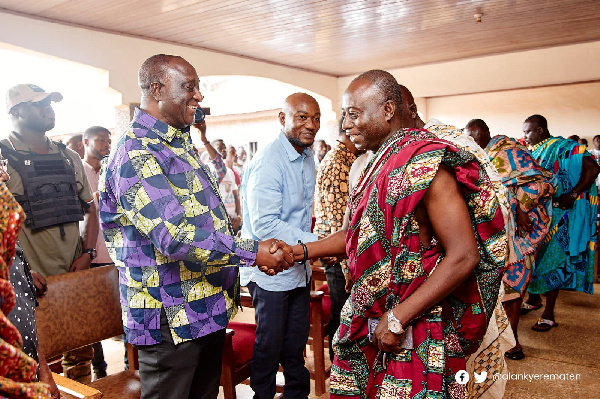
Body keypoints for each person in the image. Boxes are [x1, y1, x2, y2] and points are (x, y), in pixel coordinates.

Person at [290, 70, 506, 398]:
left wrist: (397, 318)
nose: (345, 125)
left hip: (413, 321)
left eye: (354, 114)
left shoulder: (427, 164)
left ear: (388, 111)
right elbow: (354, 234)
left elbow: (464, 255)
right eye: (344, 115)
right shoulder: (375, 165)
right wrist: (298, 252)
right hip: (372, 314)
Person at [98, 54, 294, 399]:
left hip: (205, 306)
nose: (199, 95)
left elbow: (203, 220)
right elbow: (174, 237)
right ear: (157, 90)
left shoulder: (177, 143)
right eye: (189, 87)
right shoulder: (136, 151)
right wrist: (252, 251)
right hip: (170, 314)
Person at [2, 83, 99, 383]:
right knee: (31, 368)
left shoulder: (69, 157)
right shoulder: (3, 156)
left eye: (51, 103)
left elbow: (90, 210)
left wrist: (87, 253)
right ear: (17, 111)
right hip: (26, 288)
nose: (49, 108)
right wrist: (20, 273)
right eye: (39, 104)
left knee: (81, 361)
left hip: (70, 278)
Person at [240, 92, 321, 399]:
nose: (311, 125)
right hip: (270, 270)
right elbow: (265, 226)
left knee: (295, 348)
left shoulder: (307, 155)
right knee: (269, 347)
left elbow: (299, 218)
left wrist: (310, 249)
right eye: (302, 117)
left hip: (298, 267)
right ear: (282, 118)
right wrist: (320, 244)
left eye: (315, 119)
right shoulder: (268, 162)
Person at [466, 118, 555, 360]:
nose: (471, 143)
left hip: (517, 236)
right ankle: (497, 341)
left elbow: (538, 182)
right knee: (495, 291)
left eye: (474, 138)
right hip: (492, 234)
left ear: (485, 134)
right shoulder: (479, 157)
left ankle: (513, 343)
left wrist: (522, 208)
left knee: (513, 290)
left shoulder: (507, 152)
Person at [522, 114, 599, 331]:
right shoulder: (534, 151)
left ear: (540, 129)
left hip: (561, 214)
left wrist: (572, 194)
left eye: (528, 131)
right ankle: (534, 300)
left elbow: (593, 169)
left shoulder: (565, 147)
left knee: (552, 260)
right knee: (536, 259)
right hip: (539, 215)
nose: (525, 136)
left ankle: (549, 314)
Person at [313, 118, 358, 361]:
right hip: (339, 257)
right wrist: (348, 268)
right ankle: (340, 369)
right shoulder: (338, 163)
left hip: (345, 254)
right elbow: (339, 224)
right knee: (342, 315)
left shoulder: (348, 160)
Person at [82, 125, 113, 379]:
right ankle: (99, 369)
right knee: (92, 320)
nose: (106, 144)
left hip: (115, 256)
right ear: (85, 141)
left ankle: (132, 365)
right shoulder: (78, 172)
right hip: (91, 256)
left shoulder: (113, 170)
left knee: (122, 314)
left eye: (108, 140)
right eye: (100, 140)